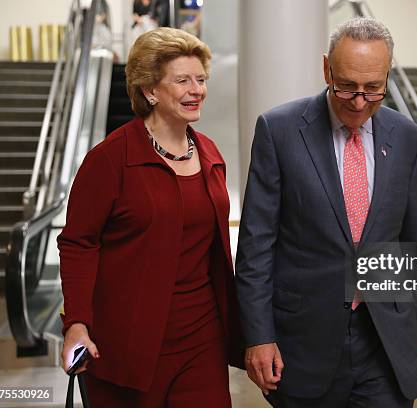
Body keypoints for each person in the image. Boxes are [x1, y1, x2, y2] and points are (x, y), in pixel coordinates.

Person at [235, 17, 417, 407]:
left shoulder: (408, 137)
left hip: (385, 339)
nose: (359, 101)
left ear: (387, 75)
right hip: (303, 340)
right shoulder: (279, 130)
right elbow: (257, 244)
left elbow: (413, 239)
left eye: (373, 88)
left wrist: (416, 325)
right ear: (326, 68)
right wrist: (258, 335)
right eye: (346, 86)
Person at [59, 27, 243, 407]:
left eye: (201, 79)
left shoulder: (209, 153)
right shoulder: (111, 159)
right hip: (127, 342)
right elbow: (78, 242)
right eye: (182, 81)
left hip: (201, 336)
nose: (197, 90)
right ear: (149, 90)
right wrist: (76, 323)